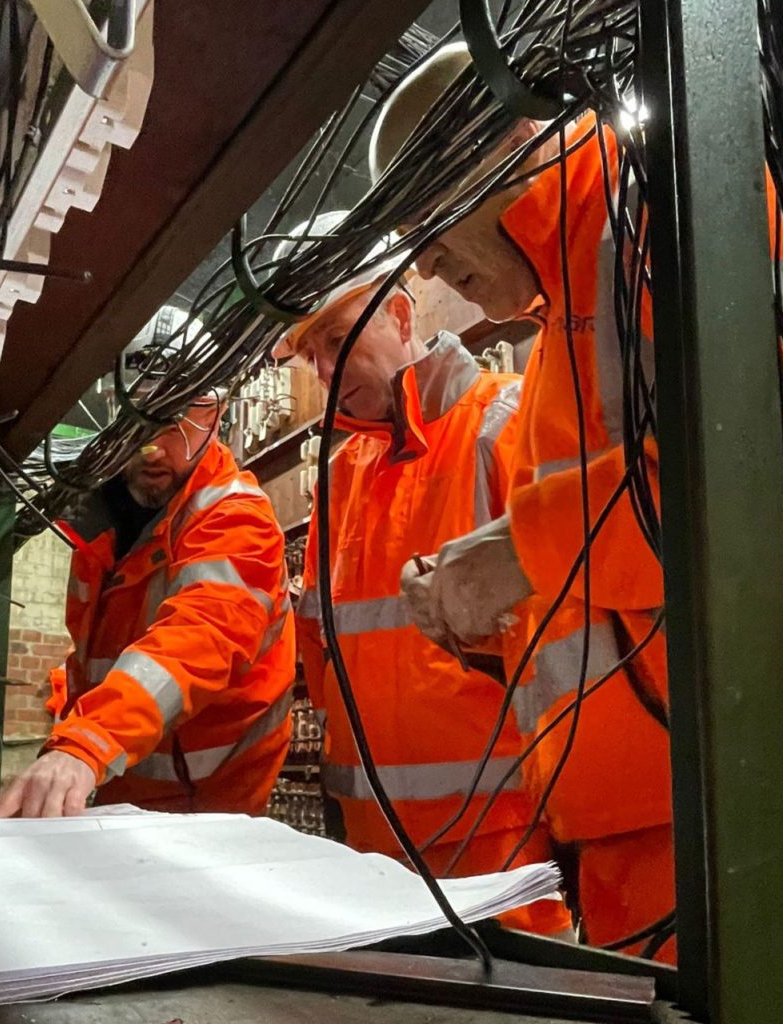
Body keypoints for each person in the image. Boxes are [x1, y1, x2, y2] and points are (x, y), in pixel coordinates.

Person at [366, 42, 694, 959]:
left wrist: (512, 557)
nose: (427, 266)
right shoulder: (564, 319)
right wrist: (485, 613)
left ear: (510, 144)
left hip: (715, 826)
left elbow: (743, 478)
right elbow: (605, 592)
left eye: (430, 214)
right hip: (621, 844)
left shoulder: (668, 222)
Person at [276, 212, 573, 938]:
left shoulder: (505, 421)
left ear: (402, 314)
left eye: (340, 341)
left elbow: (573, 634)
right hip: (369, 861)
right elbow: (324, 650)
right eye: (312, 356)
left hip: (501, 859)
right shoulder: (340, 479)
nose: (326, 372)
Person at [0, 307, 295, 819]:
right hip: (119, 798)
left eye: (176, 419)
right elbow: (93, 666)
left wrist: (85, 742)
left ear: (212, 415)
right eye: (138, 419)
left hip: (210, 812)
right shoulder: (103, 526)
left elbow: (196, 641)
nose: (152, 446)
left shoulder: (235, 516)